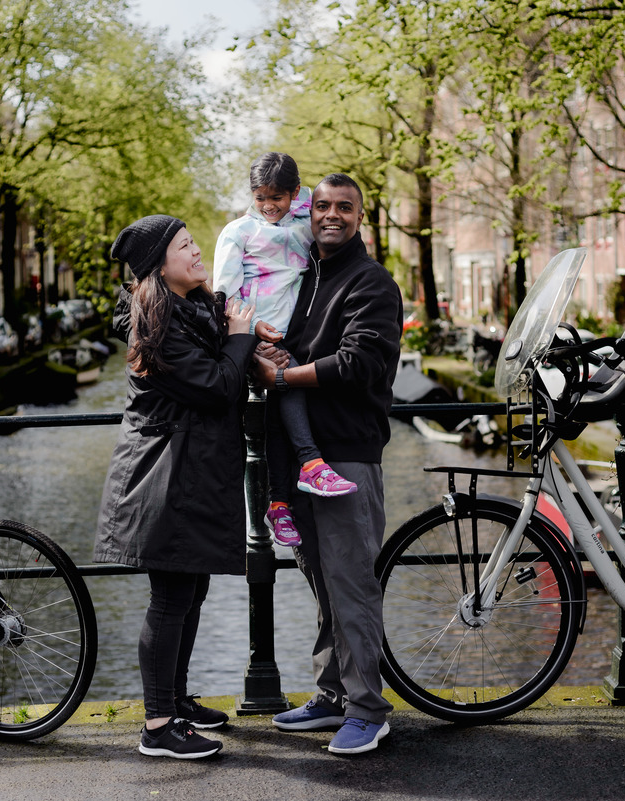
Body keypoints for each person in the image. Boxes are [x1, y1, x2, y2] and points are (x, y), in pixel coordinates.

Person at [94, 214, 257, 760]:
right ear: (159, 266)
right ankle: (157, 726)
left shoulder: (190, 311)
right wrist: (240, 337)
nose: (196, 250)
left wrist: (249, 338)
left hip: (189, 473)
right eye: (185, 245)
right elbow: (218, 388)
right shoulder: (158, 327)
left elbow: (227, 363)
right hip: (163, 479)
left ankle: (176, 700)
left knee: (191, 591)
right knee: (169, 599)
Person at [252, 174, 403, 755]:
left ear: (360, 217)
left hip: (346, 454)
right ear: (305, 212)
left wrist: (284, 374)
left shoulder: (372, 283)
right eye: (322, 206)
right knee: (322, 583)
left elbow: (360, 362)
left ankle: (369, 709)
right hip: (297, 455)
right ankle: (333, 694)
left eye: (344, 207)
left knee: (350, 584)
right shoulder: (303, 275)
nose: (331, 215)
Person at [213, 152, 358, 549]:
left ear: (294, 193)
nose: (268, 206)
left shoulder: (304, 224)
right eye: (260, 197)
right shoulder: (238, 232)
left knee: (278, 409)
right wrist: (251, 335)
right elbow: (224, 293)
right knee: (287, 383)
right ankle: (310, 465)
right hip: (254, 337)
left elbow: (331, 218)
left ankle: (278, 505)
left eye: (277, 197)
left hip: (290, 338)